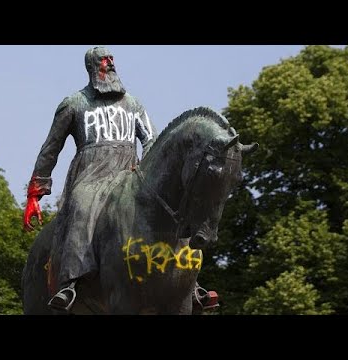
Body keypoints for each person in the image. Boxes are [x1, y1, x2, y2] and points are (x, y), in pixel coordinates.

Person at [23, 46, 218, 313]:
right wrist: (36, 191)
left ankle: (191, 286)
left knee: (171, 209)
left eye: (112, 60)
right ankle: (71, 282)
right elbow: (51, 147)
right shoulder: (74, 103)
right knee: (81, 205)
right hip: (91, 177)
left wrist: (152, 171)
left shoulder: (133, 104)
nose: (110, 64)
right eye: (104, 61)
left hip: (129, 173)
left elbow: (151, 139)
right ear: (93, 67)